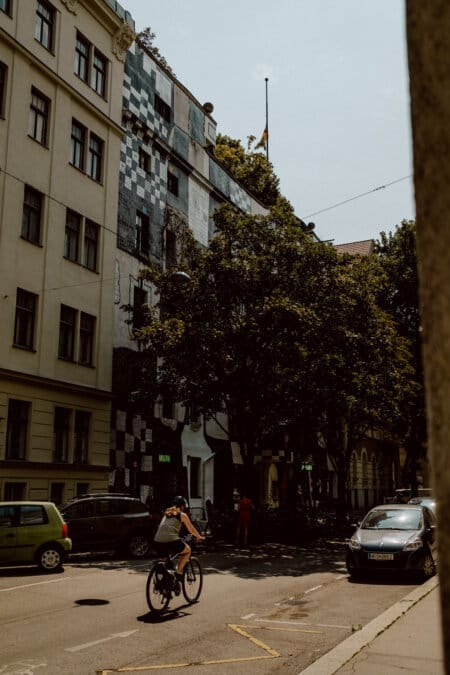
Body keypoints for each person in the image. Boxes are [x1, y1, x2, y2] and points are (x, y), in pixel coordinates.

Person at [153, 496, 204, 594]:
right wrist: (199, 537)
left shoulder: (166, 513)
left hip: (158, 541)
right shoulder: (182, 515)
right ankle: (179, 572)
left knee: (166, 564)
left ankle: (164, 587)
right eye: (184, 507)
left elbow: (166, 529)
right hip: (171, 540)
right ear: (182, 506)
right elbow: (192, 529)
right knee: (187, 550)